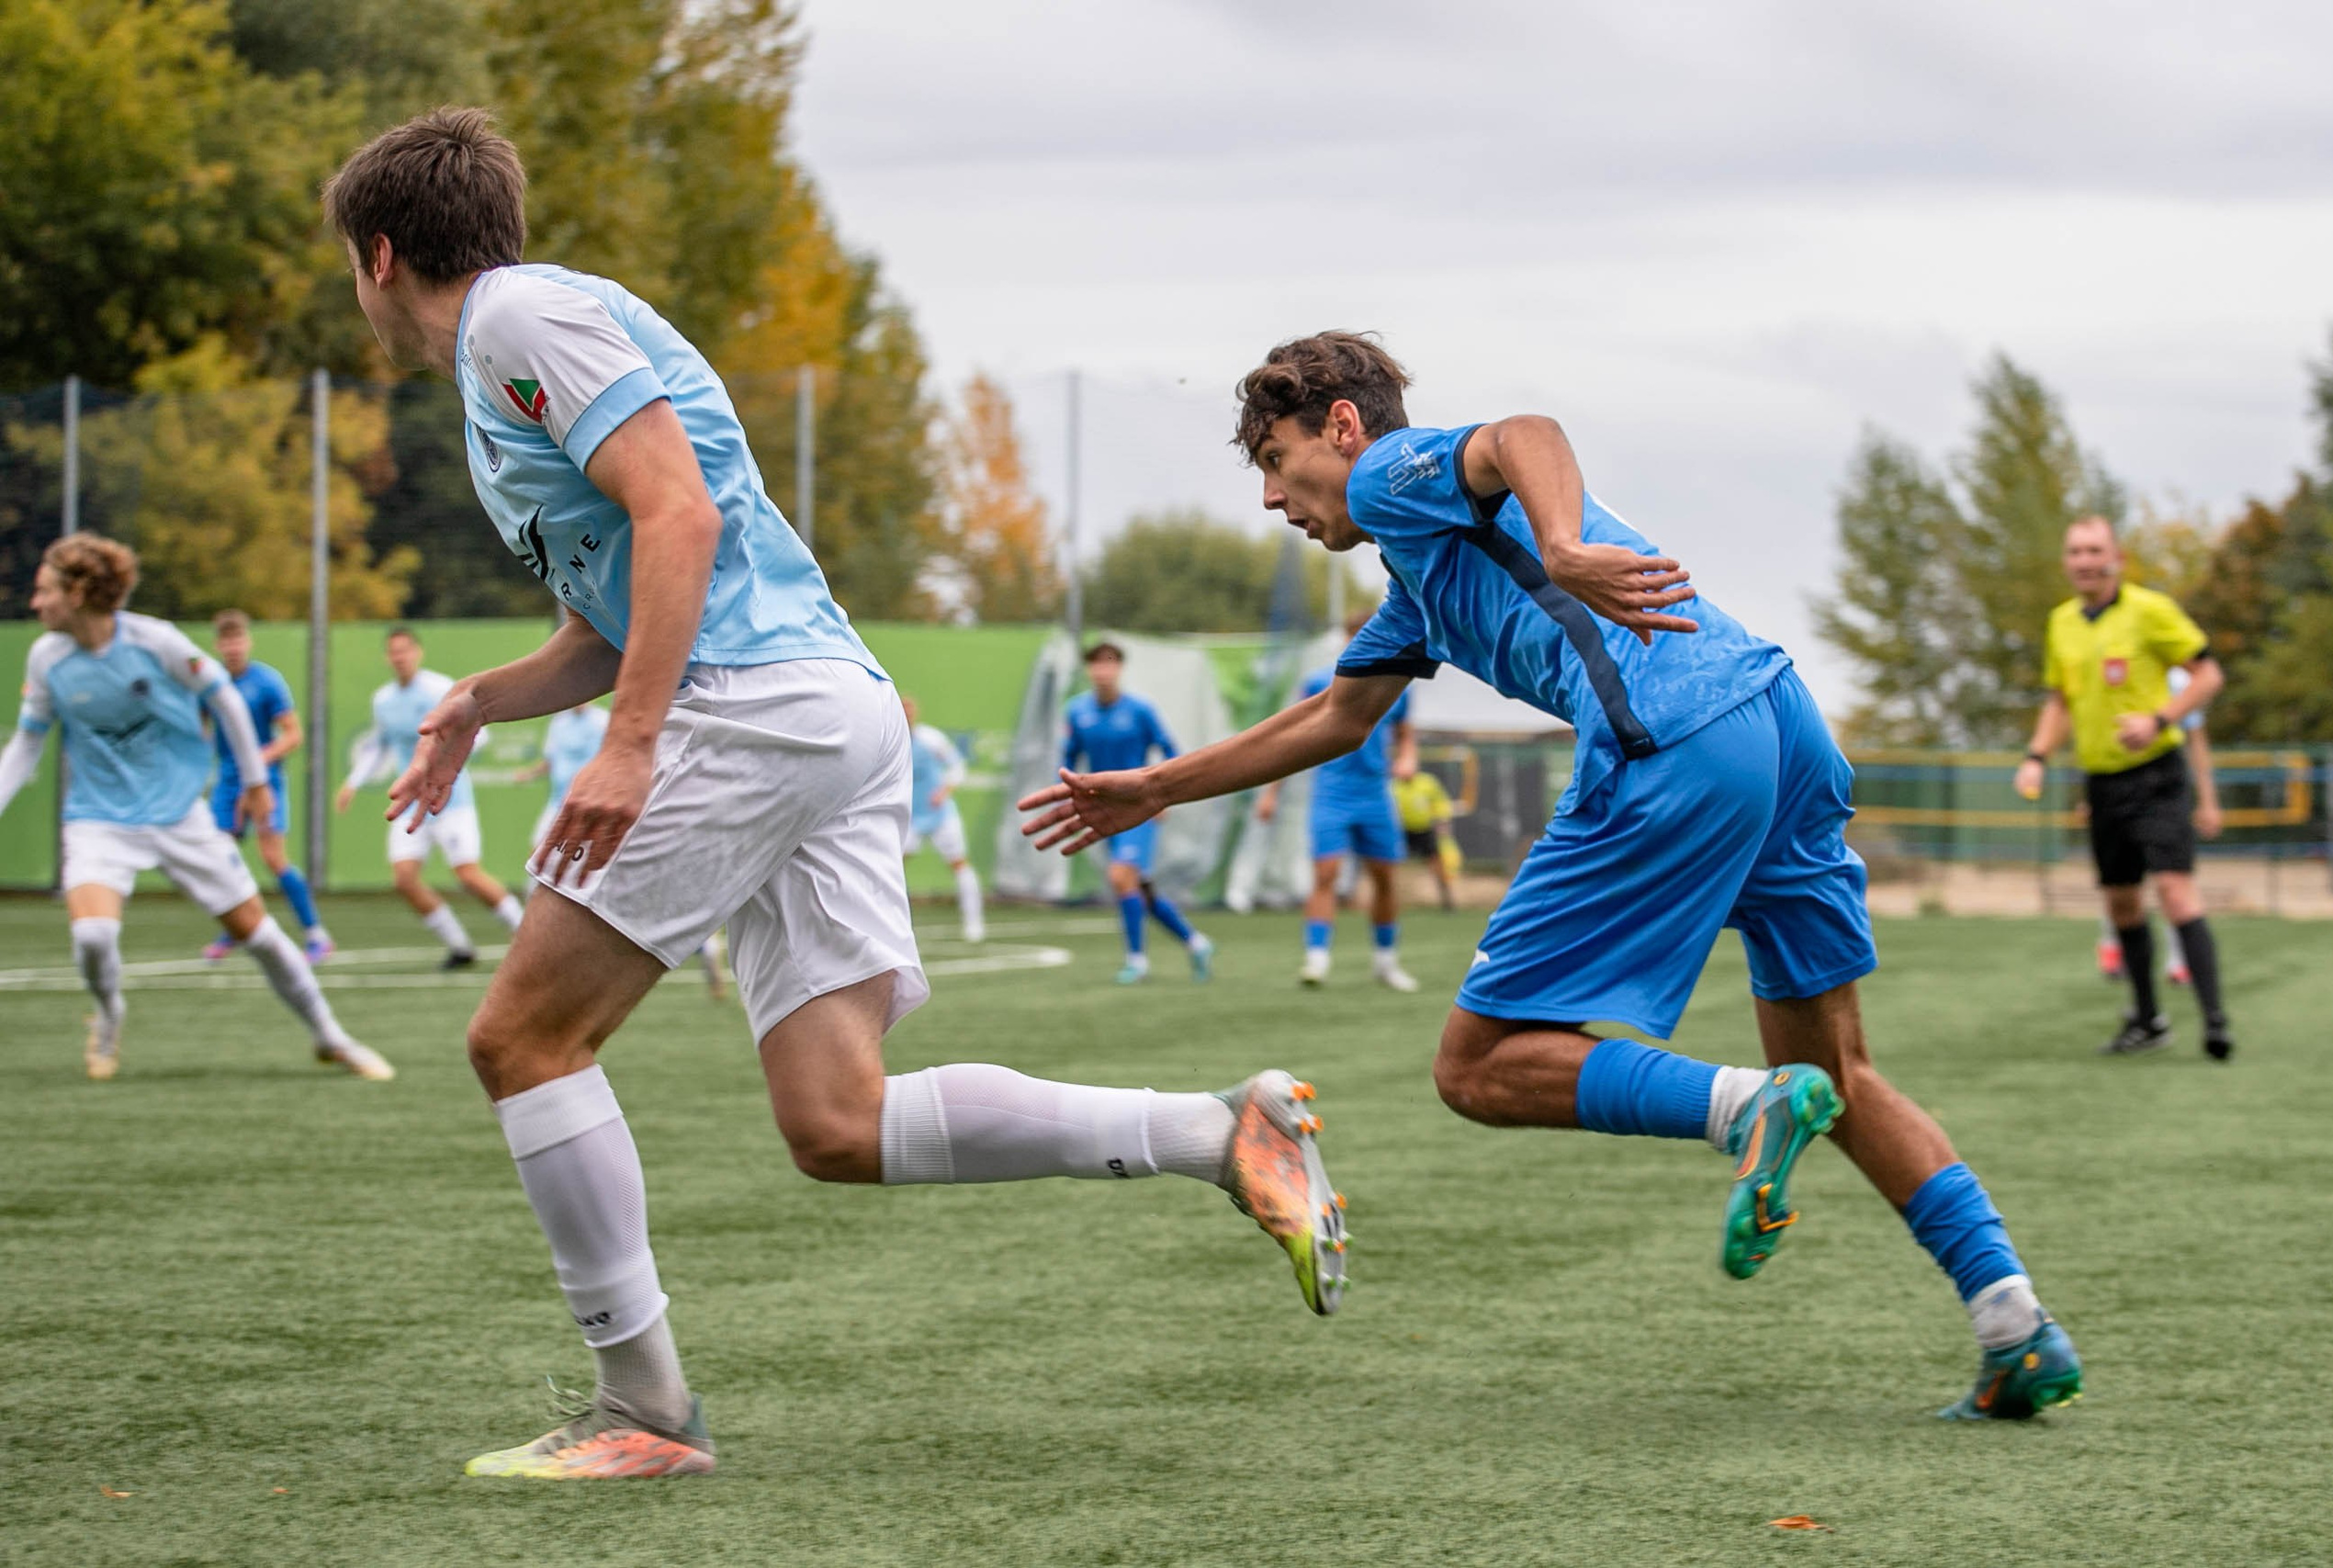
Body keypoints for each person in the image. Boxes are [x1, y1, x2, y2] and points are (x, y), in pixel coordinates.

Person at [322, 107, 1343, 1482]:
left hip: (752, 709)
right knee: (837, 1122)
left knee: (525, 1041)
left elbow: (677, 516)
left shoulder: (515, 321)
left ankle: (649, 1409)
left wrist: (629, 749)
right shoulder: (530, 339)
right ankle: (1221, 1130)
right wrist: (479, 698)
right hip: (825, 710)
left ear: (379, 254)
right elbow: (625, 604)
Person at [1024, 332, 2079, 1419]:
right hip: (1776, 719)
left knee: (1476, 1068)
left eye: (1275, 462)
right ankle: (2013, 1324)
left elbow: (1523, 434)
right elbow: (1337, 718)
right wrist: (1158, 787)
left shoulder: (1391, 474)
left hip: (1672, 736)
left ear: (1339, 428)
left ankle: (1742, 1108)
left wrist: (1565, 545)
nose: (1269, 499)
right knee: (1839, 1073)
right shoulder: (1420, 582)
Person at [0, 537, 389, 1081]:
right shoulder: (47, 659)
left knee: (260, 935)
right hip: (98, 820)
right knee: (93, 936)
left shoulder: (154, 641)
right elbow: (26, 743)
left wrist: (256, 783)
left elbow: (224, 698)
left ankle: (332, 1037)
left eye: (43, 592)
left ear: (80, 593)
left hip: (181, 814)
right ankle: (110, 1016)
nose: (34, 604)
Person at [2016, 518, 2229, 1061]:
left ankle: (2215, 1020)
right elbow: (2060, 700)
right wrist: (2037, 756)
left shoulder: (2149, 611)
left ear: (2118, 558)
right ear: (2067, 561)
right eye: (2075, 551)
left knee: (2177, 891)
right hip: (2103, 783)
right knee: (2122, 905)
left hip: (2157, 772)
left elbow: (2207, 676)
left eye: (2094, 550)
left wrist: (2159, 720)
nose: (2085, 560)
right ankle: (2149, 1019)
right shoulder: (2061, 623)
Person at [336, 626, 524, 969]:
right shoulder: (383, 699)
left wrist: (447, 757)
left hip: (450, 799)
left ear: (417, 653)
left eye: (405, 650)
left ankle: (526, 936)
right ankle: (460, 947)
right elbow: (379, 746)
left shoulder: (439, 688)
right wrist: (353, 782)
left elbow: (475, 733)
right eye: (393, 652)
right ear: (387, 657)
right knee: (404, 879)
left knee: (468, 874)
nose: (400, 657)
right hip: (410, 802)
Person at [1254, 629, 1418, 990]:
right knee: (1326, 874)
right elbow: (1289, 737)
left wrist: (1407, 758)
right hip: (1332, 794)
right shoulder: (1318, 682)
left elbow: (1406, 734)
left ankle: (1386, 962)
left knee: (1385, 879)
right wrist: (1271, 793)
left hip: (1376, 794)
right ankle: (1317, 959)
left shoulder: (1398, 682)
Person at [524, 702, 725, 996]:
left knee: (612, 875)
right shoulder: (559, 721)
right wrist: (530, 774)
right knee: (544, 861)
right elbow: (552, 760)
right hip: (561, 805)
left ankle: (701, 944)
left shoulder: (603, 722)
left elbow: (623, 760)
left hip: (597, 807)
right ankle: (538, 935)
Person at [1061, 642, 1215, 985]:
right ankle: (1196, 943)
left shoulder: (1140, 710)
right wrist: (1069, 797)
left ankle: (1137, 960)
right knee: (1137, 889)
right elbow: (1069, 760)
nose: (1102, 670)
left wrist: (1162, 795)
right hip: (1101, 809)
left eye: (1109, 663)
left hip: (1137, 808)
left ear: (1120, 669)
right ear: (1089, 670)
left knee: (1121, 877)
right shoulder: (1076, 712)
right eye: (1096, 664)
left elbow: (1170, 749)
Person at [199, 610, 334, 964]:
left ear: (248, 642)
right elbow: (200, 733)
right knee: (220, 858)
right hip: (228, 779)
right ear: (217, 645)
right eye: (225, 641)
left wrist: (257, 764)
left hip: (266, 778)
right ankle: (235, 928)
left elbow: (293, 734)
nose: (232, 648)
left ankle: (316, 935)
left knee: (273, 858)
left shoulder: (267, 682)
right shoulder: (209, 683)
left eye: (238, 640)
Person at [2092, 666, 2222, 987]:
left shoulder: (2179, 680)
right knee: (2122, 885)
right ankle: (2112, 946)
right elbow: (2097, 738)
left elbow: (2197, 743)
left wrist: (2208, 801)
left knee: (2173, 885)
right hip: (2117, 794)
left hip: (2163, 797)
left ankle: (2179, 962)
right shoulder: (2113, 668)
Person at [903, 695, 986, 943]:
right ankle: (898, 927)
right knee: (892, 869)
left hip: (940, 815)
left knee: (959, 863)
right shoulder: (888, 739)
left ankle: (974, 923)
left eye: (909, 709)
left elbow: (957, 766)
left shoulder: (931, 738)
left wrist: (944, 792)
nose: (906, 714)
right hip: (908, 816)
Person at [1392, 769, 1460, 911]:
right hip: (1401, 831)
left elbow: (1440, 802)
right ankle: (1392, 902)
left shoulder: (1427, 782)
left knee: (1437, 863)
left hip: (1424, 830)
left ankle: (1447, 899)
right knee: (1390, 865)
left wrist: (1442, 821)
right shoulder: (1392, 786)